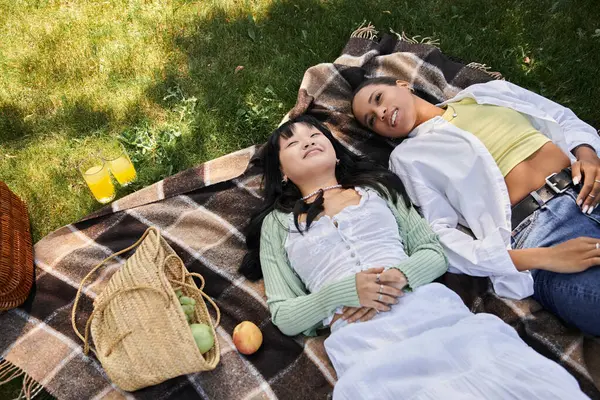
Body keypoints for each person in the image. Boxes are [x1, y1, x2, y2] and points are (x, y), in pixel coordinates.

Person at [239, 115, 588, 399]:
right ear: (282, 172)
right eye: (293, 142)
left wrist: (400, 275)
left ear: (333, 148)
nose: (309, 141)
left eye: (315, 134)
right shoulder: (276, 225)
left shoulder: (377, 189)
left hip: (433, 313)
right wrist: (345, 292)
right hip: (365, 344)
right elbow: (285, 313)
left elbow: (433, 252)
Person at [351, 77, 600, 336]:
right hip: (542, 234)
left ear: (403, 84)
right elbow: (440, 238)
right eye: (371, 120)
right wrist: (541, 258)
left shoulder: (485, 93)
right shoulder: (407, 158)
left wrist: (588, 154)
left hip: (589, 185)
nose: (380, 113)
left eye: (378, 98)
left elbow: (561, 116)